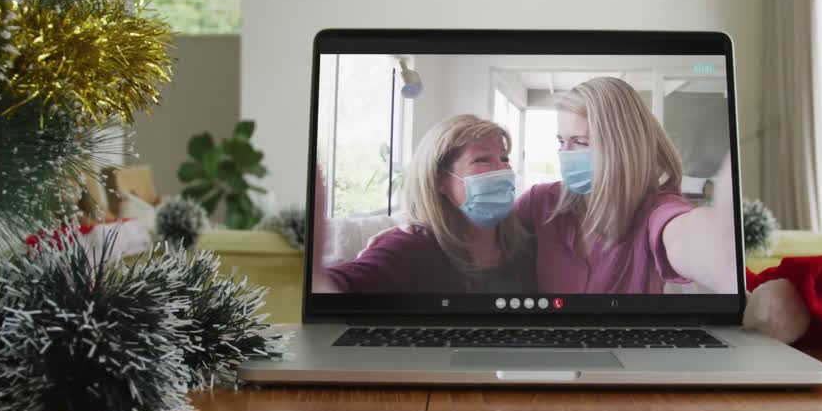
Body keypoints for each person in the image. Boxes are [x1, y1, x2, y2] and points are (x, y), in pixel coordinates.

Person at [514, 76, 738, 294]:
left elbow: (686, 236)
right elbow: (488, 238)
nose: (564, 153)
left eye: (580, 142)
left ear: (622, 146)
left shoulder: (655, 212)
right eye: (561, 141)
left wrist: (726, 261)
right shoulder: (539, 201)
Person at [311, 114, 535, 294]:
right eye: (482, 159)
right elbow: (342, 284)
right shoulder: (409, 248)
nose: (503, 170)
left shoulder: (526, 240)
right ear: (439, 180)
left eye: (504, 158)